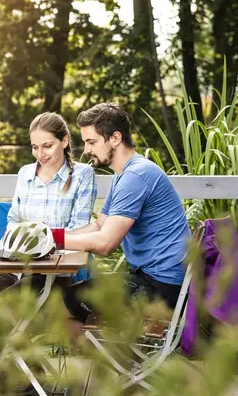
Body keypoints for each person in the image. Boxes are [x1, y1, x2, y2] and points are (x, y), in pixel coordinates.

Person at [0, 111, 97, 309]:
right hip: (16, 268)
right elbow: (14, 220)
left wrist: (36, 247)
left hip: (59, 273)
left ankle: (2, 338)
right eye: (35, 147)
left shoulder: (83, 175)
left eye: (48, 146)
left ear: (64, 141)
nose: (40, 155)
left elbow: (78, 229)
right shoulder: (26, 174)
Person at [60, 102, 190, 329]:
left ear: (115, 138)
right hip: (156, 281)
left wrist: (54, 240)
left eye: (91, 142)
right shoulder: (124, 175)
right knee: (67, 298)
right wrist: (53, 236)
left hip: (162, 289)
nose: (86, 150)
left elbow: (104, 244)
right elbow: (100, 226)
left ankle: (119, 361)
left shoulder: (135, 176)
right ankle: (119, 360)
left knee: (61, 302)